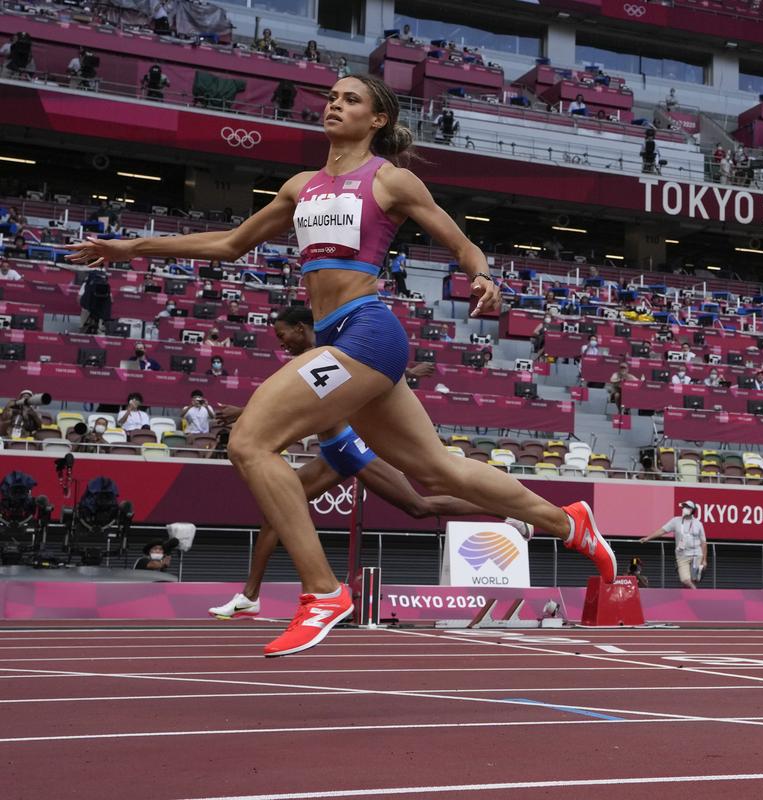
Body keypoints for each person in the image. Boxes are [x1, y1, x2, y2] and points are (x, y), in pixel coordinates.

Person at [67, 73, 615, 658]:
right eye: (332, 96)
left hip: (367, 332)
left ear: (377, 120)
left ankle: (323, 592)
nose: (335, 104)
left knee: (251, 441)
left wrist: (481, 276)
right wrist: (132, 249)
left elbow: (461, 243)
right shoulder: (300, 187)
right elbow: (230, 244)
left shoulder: (390, 180)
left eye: (350, 99)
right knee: (436, 473)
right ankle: (568, 522)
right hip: (339, 337)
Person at [209, 306, 534, 620]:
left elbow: (363, 380)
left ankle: (504, 510)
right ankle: (249, 597)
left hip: (353, 447)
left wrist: (242, 414)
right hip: (332, 453)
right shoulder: (308, 361)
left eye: (283, 335)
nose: (281, 343)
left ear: (300, 329)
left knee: (418, 506)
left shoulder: (328, 352)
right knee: (275, 513)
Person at [638, 500, 707, 589]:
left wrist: (704, 559)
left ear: (692, 510)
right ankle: (696, 592)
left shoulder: (698, 524)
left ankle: (690, 595)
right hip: (682, 555)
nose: (683, 509)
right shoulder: (676, 521)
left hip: (696, 554)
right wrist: (648, 538)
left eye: (686, 507)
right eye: (683, 507)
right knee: (685, 580)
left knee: (693, 579)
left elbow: (703, 542)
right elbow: (662, 530)